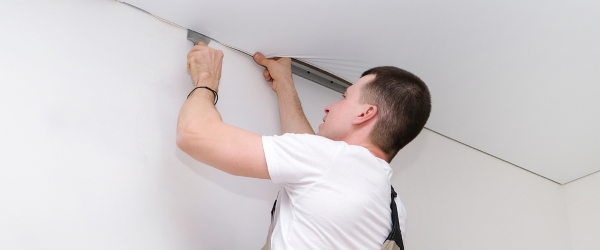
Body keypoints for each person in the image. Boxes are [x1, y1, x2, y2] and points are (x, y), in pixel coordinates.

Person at [177, 43, 431, 249]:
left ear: (364, 114)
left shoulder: (330, 161)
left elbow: (194, 134)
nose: (329, 107)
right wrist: (284, 84)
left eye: (345, 97)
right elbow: (316, 169)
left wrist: (206, 79)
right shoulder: (394, 209)